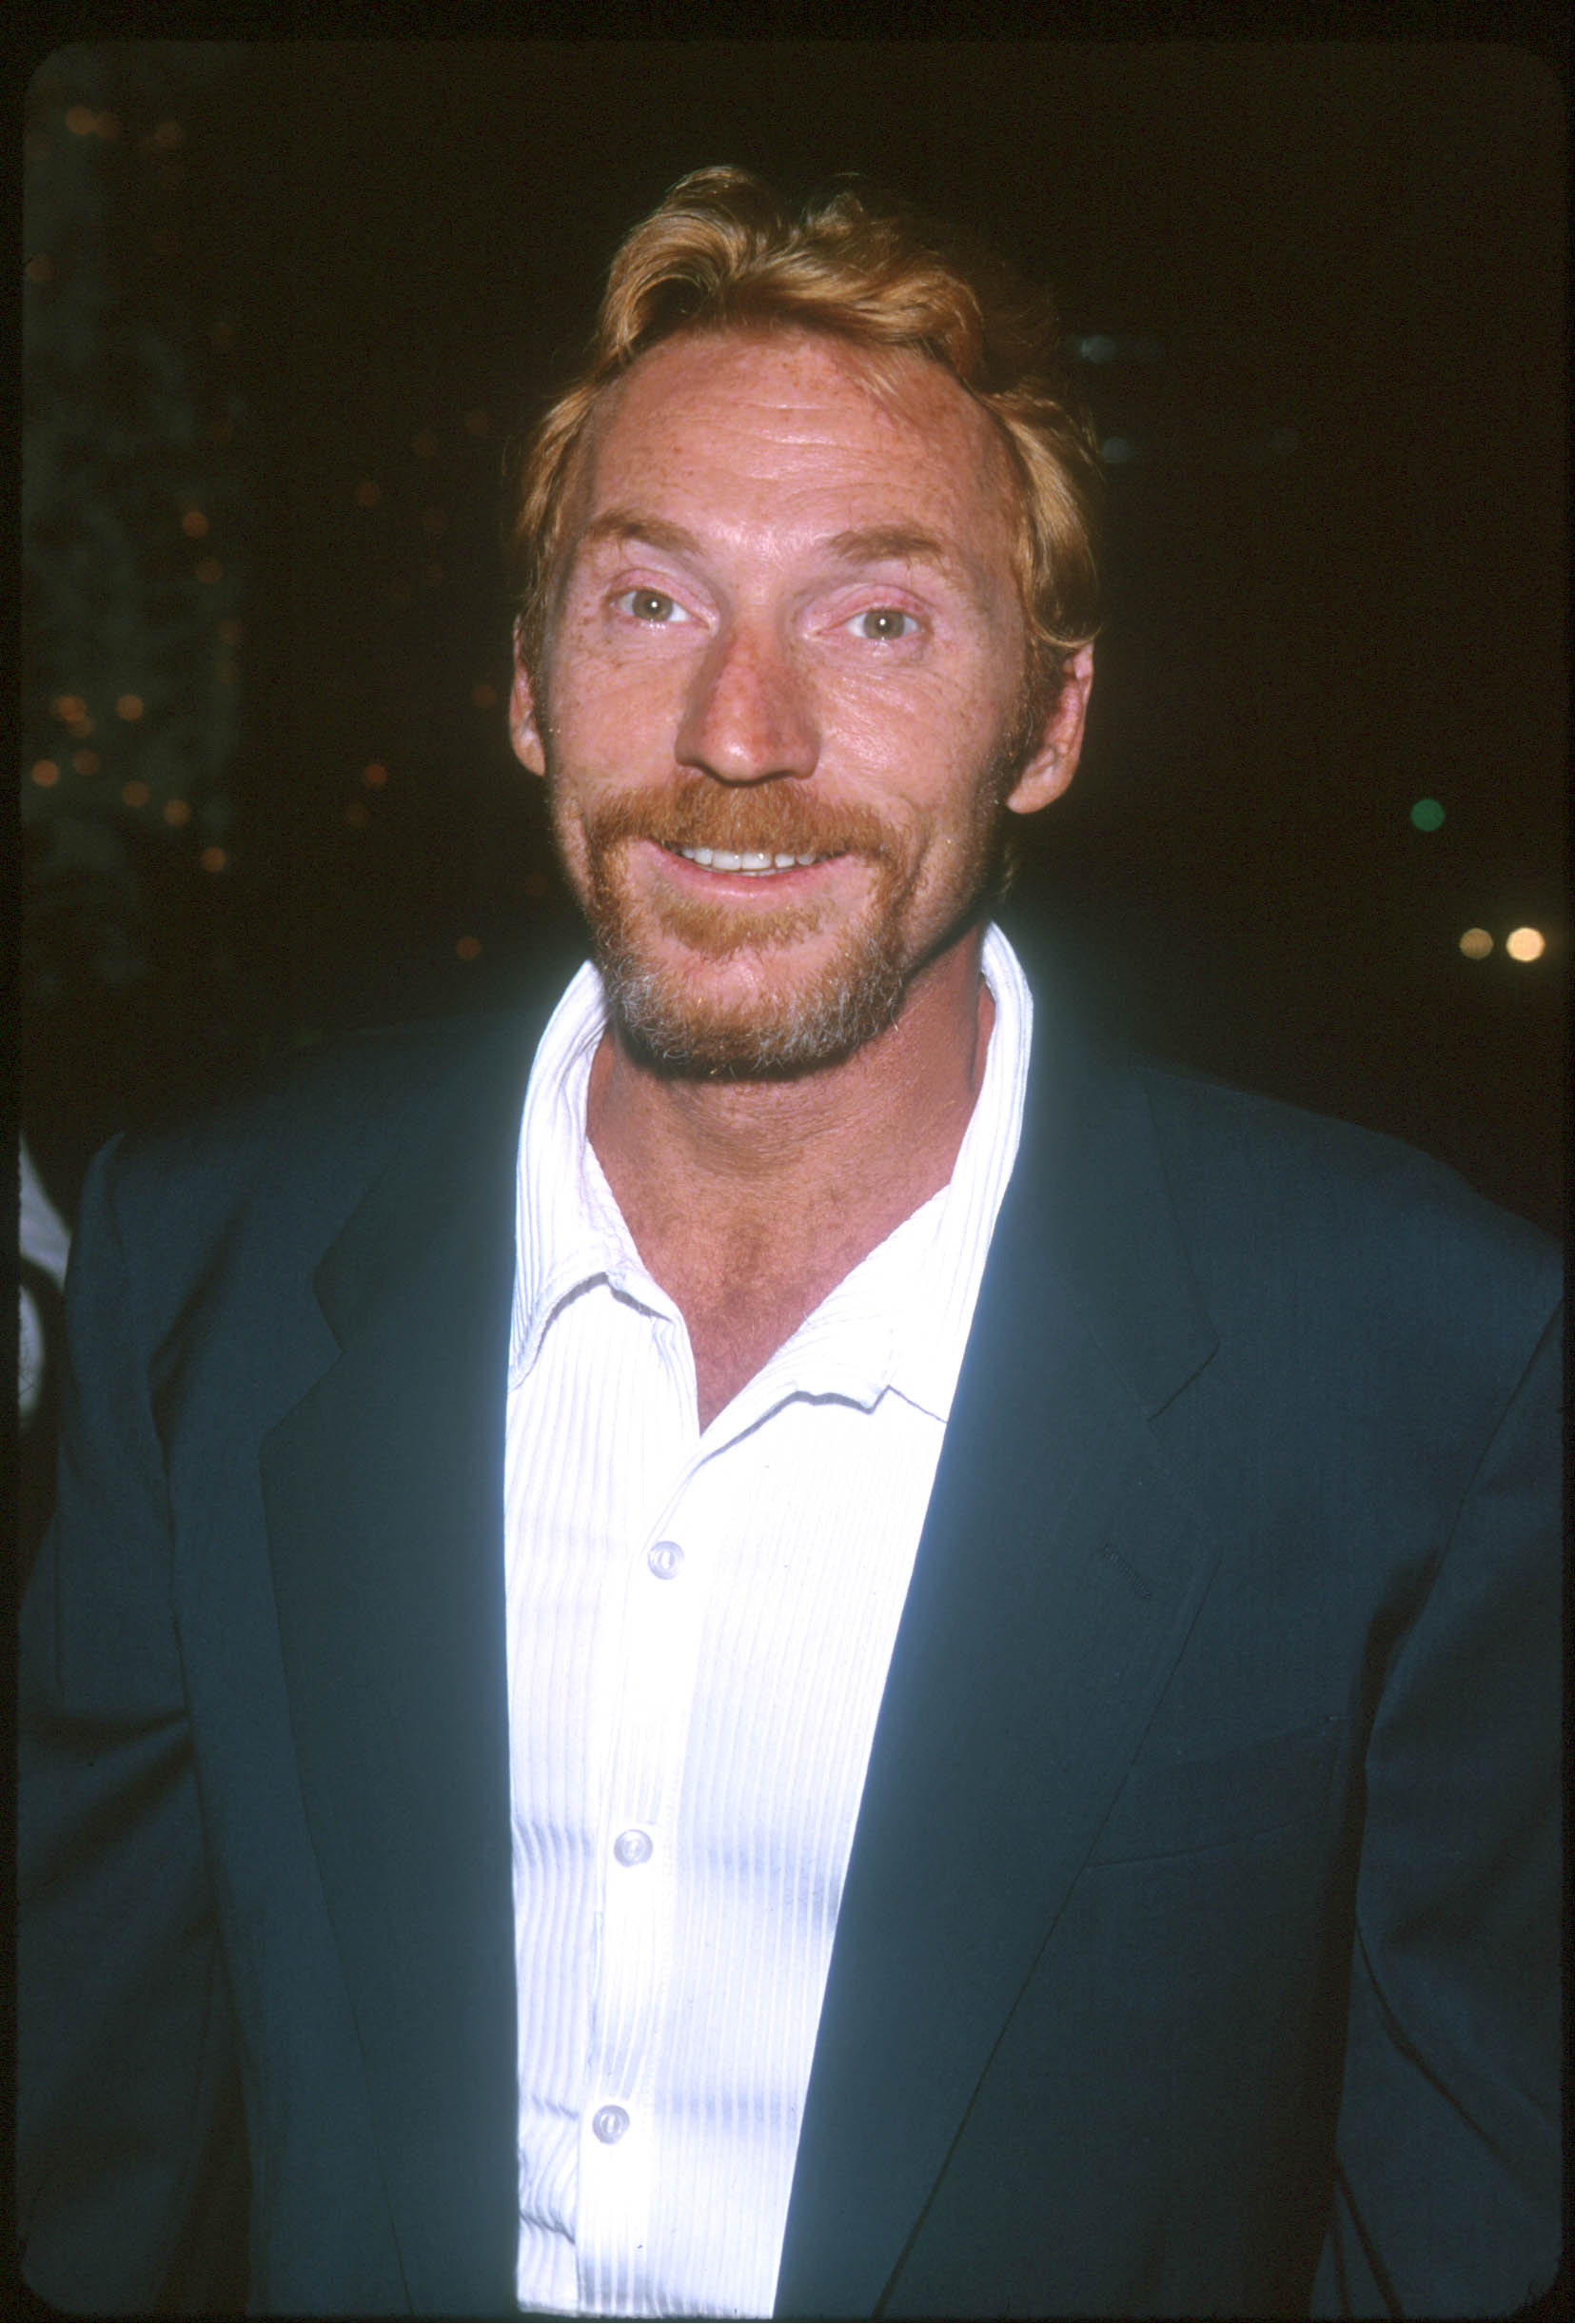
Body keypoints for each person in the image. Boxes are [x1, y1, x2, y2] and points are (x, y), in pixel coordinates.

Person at [16, 167, 1561, 2324]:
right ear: (532, 684)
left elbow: (1469, 2251)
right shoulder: (204, 1263)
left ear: (1053, 717)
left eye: (881, 617)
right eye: (650, 603)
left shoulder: (1430, 1358)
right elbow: (80, 2163)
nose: (741, 737)